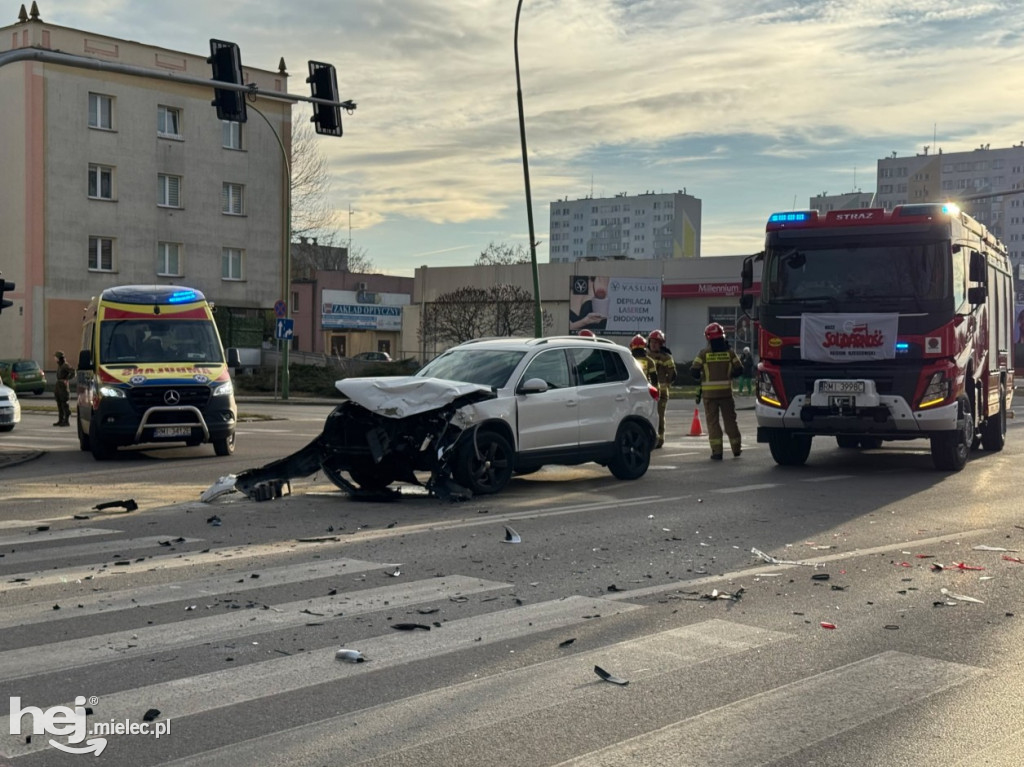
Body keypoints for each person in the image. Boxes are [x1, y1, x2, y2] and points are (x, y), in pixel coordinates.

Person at [690, 323, 742, 460]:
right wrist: (729, 374)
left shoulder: (704, 354)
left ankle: (717, 452)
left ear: (708, 337)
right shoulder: (730, 353)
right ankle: (736, 449)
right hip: (726, 394)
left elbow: (694, 371)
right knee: (731, 421)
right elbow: (740, 369)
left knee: (713, 423)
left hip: (709, 395)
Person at [646, 329, 676, 448]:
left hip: (661, 392)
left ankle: (660, 438)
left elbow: (673, 374)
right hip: (647, 391)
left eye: (656, 342)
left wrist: (666, 384)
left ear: (661, 344)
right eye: (652, 342)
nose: (653, 344)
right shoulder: (645, 356)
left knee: (659, 415)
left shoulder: (666, 357)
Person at [53, 350, 73, 427]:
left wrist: (67, 378)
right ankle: (61, 419)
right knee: (59, 403)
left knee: (64, 403)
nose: (55, 359)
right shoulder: (60, 365)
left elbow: (73, 372)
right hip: (58, 385)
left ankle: (66, 420)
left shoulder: (65, 365)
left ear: (59, 358)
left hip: (63, 386)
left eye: (56, 357)